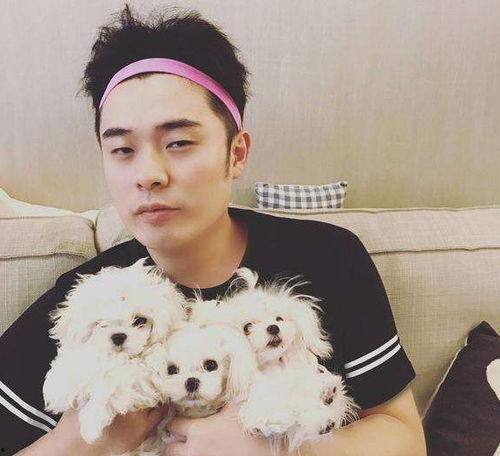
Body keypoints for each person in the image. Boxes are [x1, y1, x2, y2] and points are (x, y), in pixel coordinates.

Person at [0, 4, 426, 455]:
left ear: (236, 153)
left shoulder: (327, 258)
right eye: (123, 149)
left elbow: (405, 438)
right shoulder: (88, 307)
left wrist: (274, 449)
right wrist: (87, 441)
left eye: (179, 142)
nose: (149, 174)